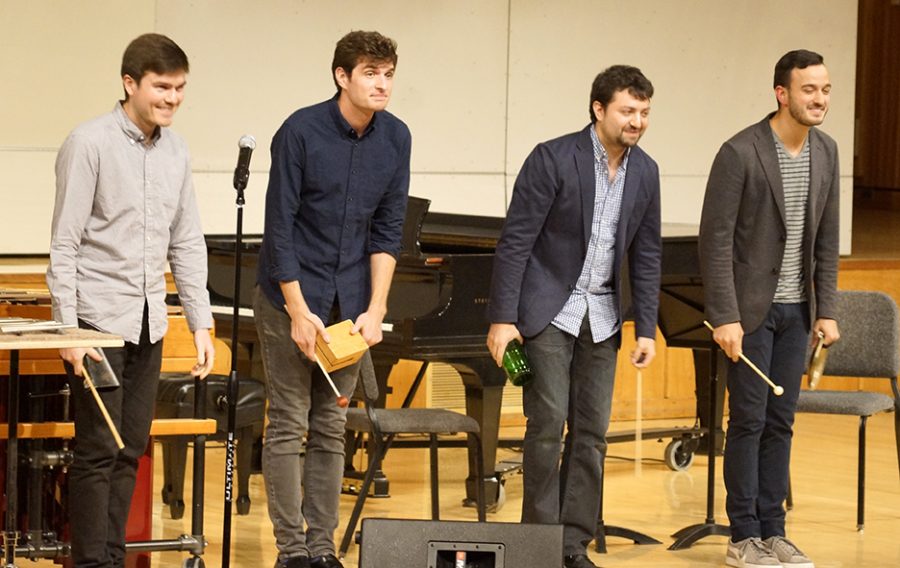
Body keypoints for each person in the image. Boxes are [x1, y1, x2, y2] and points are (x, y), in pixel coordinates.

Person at [47, 33, 215, 568]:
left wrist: (202, 324)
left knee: (130, 449)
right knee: (97, 451)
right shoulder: (89, 142)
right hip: (98, 325)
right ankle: (92, 563)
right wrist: (68, 332)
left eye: (180, 88)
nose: (172, 98)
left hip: (148, 323)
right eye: (162, 86)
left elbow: (186, 240)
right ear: (130, 83)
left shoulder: (178, 149)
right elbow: (65, 243)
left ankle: (113, 559)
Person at [487, 65, 661, 568]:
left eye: (645, 112)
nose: (637, 121)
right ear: (598, 108)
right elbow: (515, 242)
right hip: (549, 312)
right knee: (547, 424)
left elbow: (646, 254)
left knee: (592, 434)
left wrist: (645, 326)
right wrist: (503, 319)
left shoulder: (645, 171)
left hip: (604, 317)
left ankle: (572, 544)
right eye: (628, 111)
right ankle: (537, 544)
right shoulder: (553, 158)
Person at [253, 30, 410, 568]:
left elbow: (388, 230)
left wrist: (377, 309)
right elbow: (279, 228)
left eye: (388, 73)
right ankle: (290, 550)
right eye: (370, 73)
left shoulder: (397, 138)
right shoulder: (300, 131)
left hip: (351, 306)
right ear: (342, 76)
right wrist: (298, 310)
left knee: (331, 427)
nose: (381, 83)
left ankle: (322, 548)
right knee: (289, 424)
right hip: (289, 297)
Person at [699, 49, 840, 568]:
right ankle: (743, 536)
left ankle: (774, 530)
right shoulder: (740, 152)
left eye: (824, 89)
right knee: (749, 422)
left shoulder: (827, 152)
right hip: (750, 313)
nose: (820, 99)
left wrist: (827, 309)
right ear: (782, 94)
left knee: (782, 423)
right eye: (809, 90)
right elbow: (714, 242)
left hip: (798, 312)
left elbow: (827, 238)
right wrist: (725, 315)